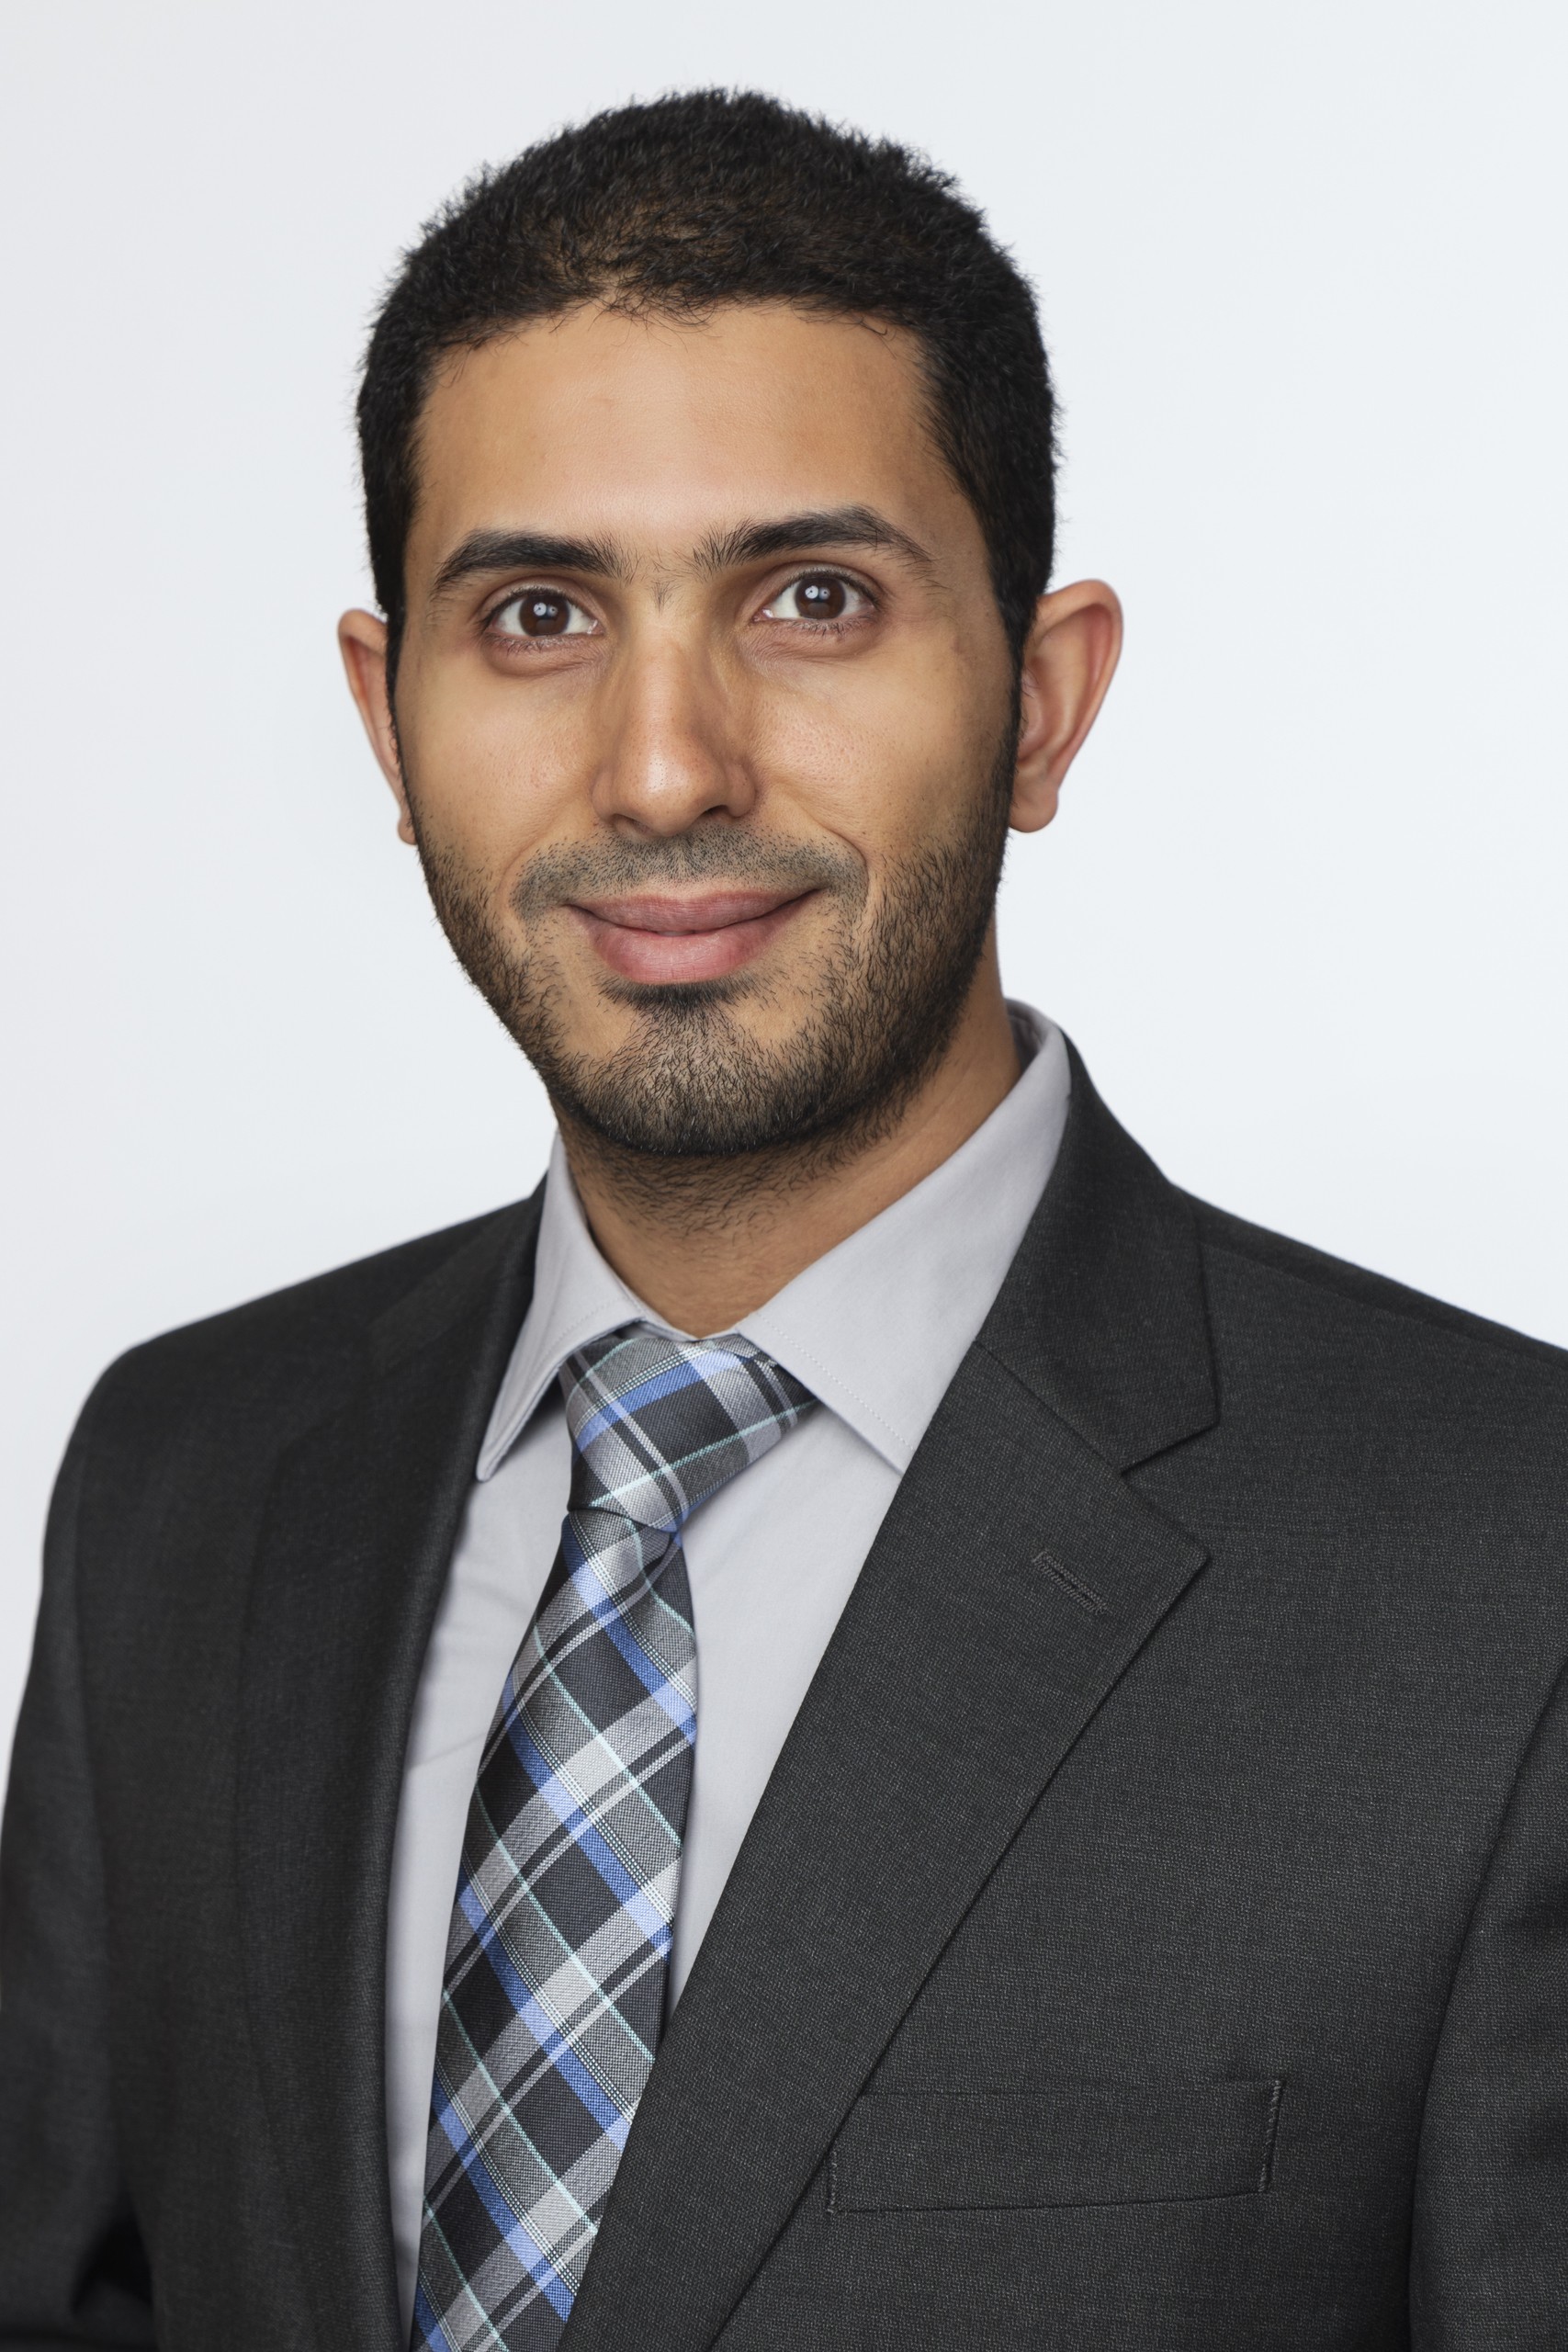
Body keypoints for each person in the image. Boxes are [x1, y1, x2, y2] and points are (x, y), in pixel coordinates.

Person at [2, 85, 1565, 2352]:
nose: (663, 767)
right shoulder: (185, 1477)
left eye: (810, 599)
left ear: (1039, 702)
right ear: (387, 717)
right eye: (536, 613)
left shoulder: (1510, 1569)